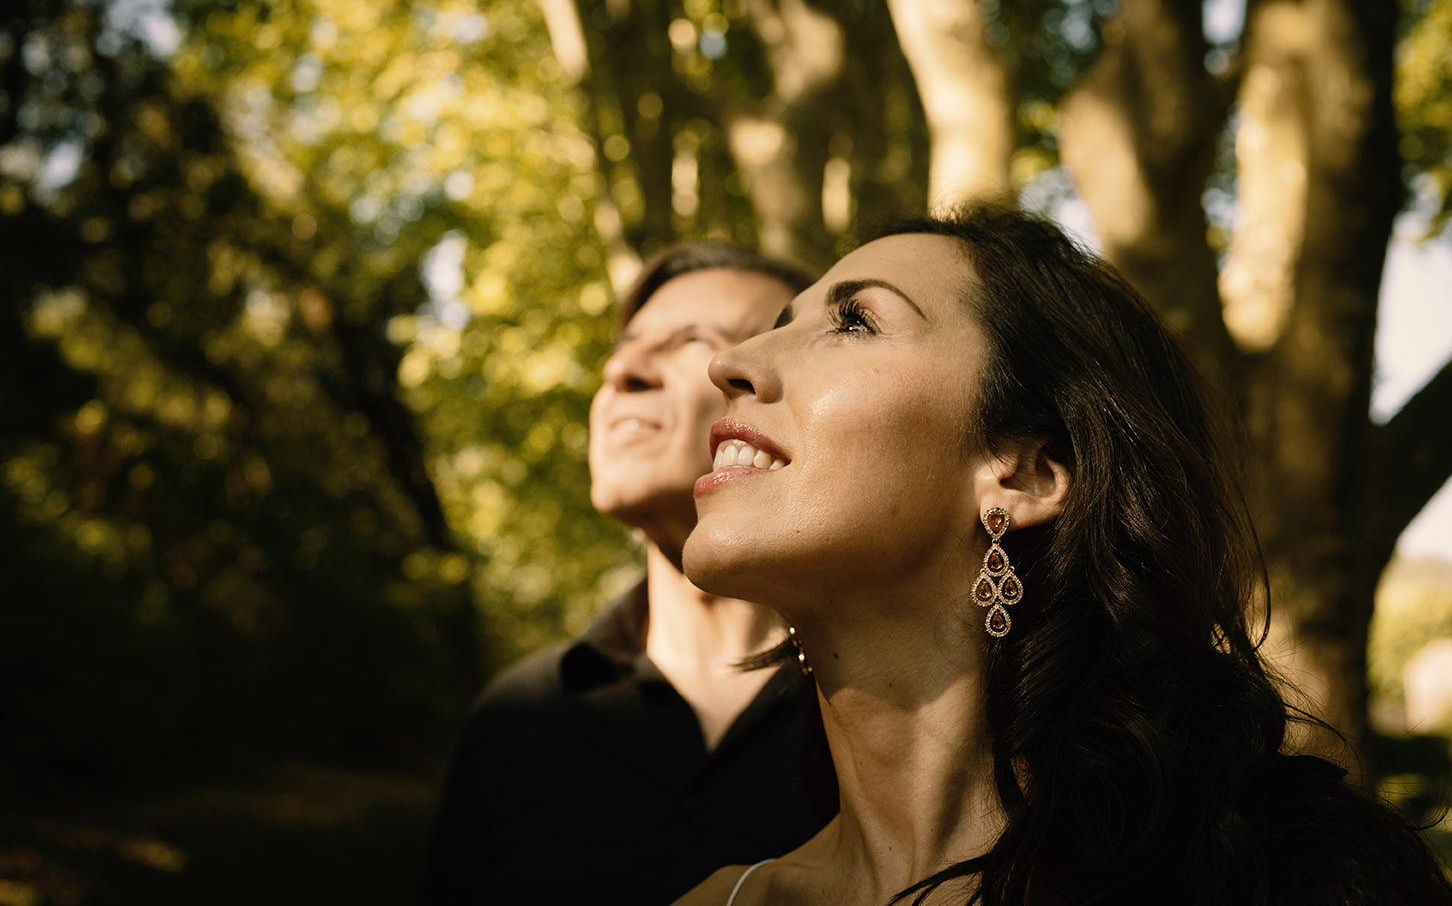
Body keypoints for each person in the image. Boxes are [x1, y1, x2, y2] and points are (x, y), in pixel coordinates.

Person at [676, 203, 1452, 906]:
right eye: (781, 322)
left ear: (1026, 474)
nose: (731, 362)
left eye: (854, 323)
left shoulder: (1290, 880)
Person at [420, 243, 835, 905]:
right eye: (624, 347)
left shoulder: (884, 716)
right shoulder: (517, 716)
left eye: (693, 342)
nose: (620, 370)